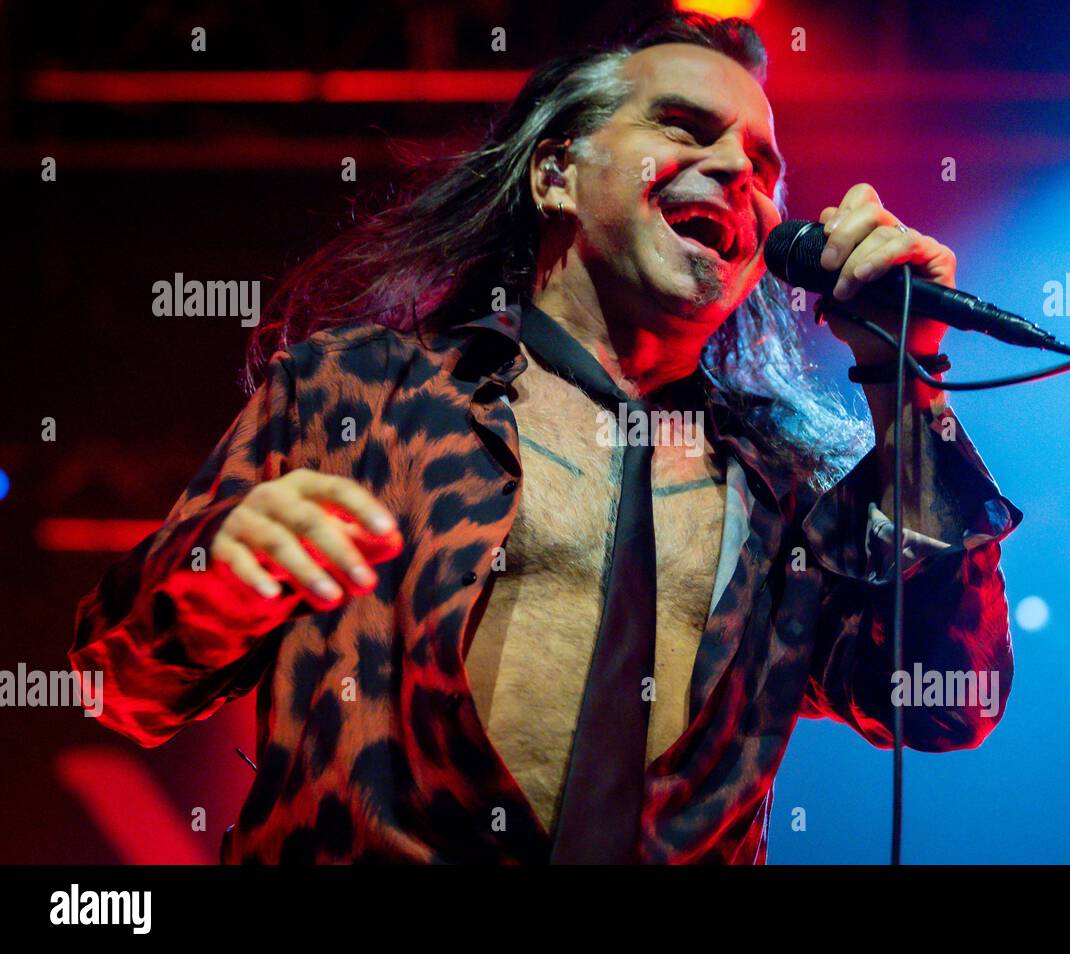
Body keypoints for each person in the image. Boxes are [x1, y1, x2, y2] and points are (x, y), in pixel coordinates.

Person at [71, 13, 1020, 864]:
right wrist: (215, 578)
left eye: (766, 166)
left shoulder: (780, 489)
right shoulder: (361, 393)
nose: (741, 171)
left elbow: (944, 701)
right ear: (555, 172)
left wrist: (908, 371)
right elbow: (123, 682)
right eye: (686, 129)